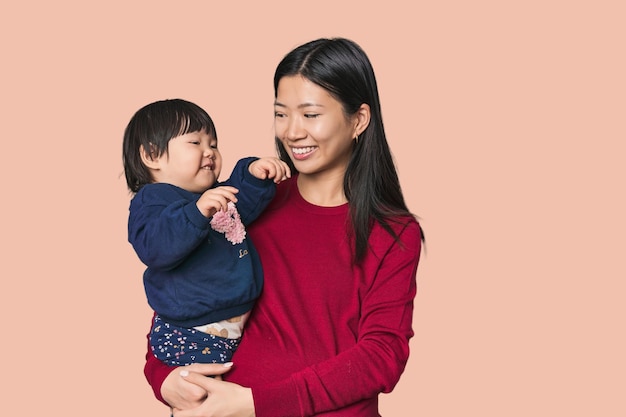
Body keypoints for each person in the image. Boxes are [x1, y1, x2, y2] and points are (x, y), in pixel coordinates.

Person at [144, 38, 424, 416]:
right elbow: (182, 299)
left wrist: (256, 404)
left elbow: (382, 356)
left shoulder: (393, 232)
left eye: (310, 115)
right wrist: (163, 375)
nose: (291, 132)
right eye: (281, 113)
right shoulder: (246, 202)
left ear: (358, 119)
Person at [123, 98, 290, 368]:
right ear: (152, 155)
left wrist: (253, 175)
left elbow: (241, 206)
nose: (209, 151)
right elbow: (155, 247)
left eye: (213, 144)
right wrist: (196, 212)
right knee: (203, 402)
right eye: (195, 143)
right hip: (190, 331)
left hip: (234, 330)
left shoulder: (211, 196)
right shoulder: (153, 200)